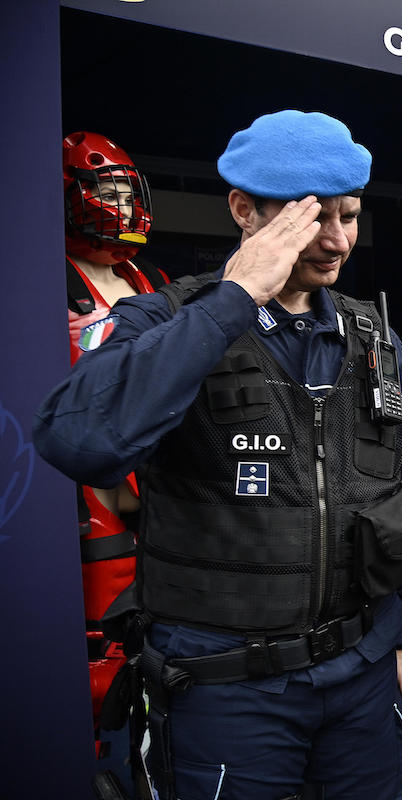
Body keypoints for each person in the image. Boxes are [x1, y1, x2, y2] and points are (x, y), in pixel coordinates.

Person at [36, 110, 402, 800]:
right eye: (313, 218)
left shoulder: (375, 339)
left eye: (350, 215)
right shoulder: (164, 319)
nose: (337, 241)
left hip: (361, 684)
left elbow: (400, 490)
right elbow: (77, 438)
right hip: (226, 694)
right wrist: (235, 300)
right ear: (244, 211)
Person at [60, 131, 167, 734]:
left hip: (156, 468)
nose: (121, 206)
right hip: (95, 482)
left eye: (128, 192)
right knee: (102, 643)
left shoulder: (146, 275)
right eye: (108, 192)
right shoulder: (46, 278)